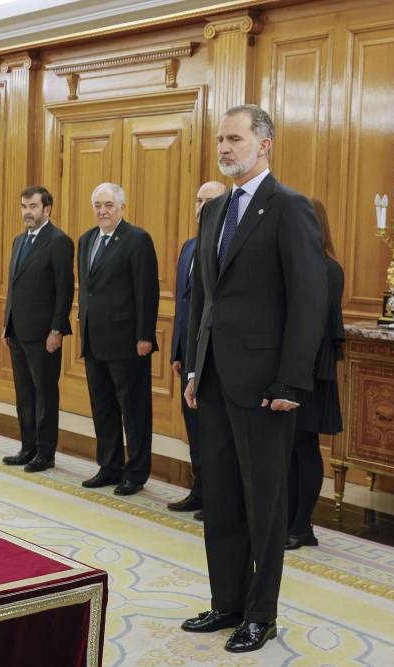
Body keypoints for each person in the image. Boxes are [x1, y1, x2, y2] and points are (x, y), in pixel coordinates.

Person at [181, 105, 327, 653]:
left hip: (267, 386)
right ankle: (227, 603)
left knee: (264, 503)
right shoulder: (214, 210)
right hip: (215, 377)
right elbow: (205, 300)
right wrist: (195, 366)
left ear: (264, 144)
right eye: (220, 139)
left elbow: (308, 301)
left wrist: (291, 383)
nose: (224, 147)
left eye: (234, 139)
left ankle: (259, 615)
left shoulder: (290, 208)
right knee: (219, 495)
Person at [77, 182, 159, 496]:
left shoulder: (137, 240)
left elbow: (146, 291)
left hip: (127, 341)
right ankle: (109, 466)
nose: (103, 211)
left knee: (134, 409)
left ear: (122, 207)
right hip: (94, 339)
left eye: (109, 205)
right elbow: (88, 289)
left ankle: (136, 472)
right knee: (103, 407)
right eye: (98, 205)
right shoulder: (86, 240)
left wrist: (145, 336)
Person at [1, 186, 75, 472]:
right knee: (24, 393)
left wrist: (57, 330)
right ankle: (27, 446)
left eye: (33, 207)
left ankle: (45, 453)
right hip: (17, 331)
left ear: (47, 209)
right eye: (24, 206)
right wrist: (7, 323)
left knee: (45, 394)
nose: (27, 212)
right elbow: (13, 286)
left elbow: (63, 291)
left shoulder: (59, 242)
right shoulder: (18, 241)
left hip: (44, 334)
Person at [286, 198, 344, 550]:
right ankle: (289, 520)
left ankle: (302, 525)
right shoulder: (296, 264)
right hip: (292, 367)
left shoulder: (328, 268)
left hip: (312, 369)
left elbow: (318, 324)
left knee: (304, 444)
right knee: (288, 447)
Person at [167, 180, 227, 520]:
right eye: (198, 200)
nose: (201, 207)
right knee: (194, 428)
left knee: (215, 431)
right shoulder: (189, 246)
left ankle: (218, 497)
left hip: (215, 357)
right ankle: (200, 489)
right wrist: (178, 351)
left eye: (210, 201)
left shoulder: (226, 248)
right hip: (189, 355)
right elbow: (184, 306)